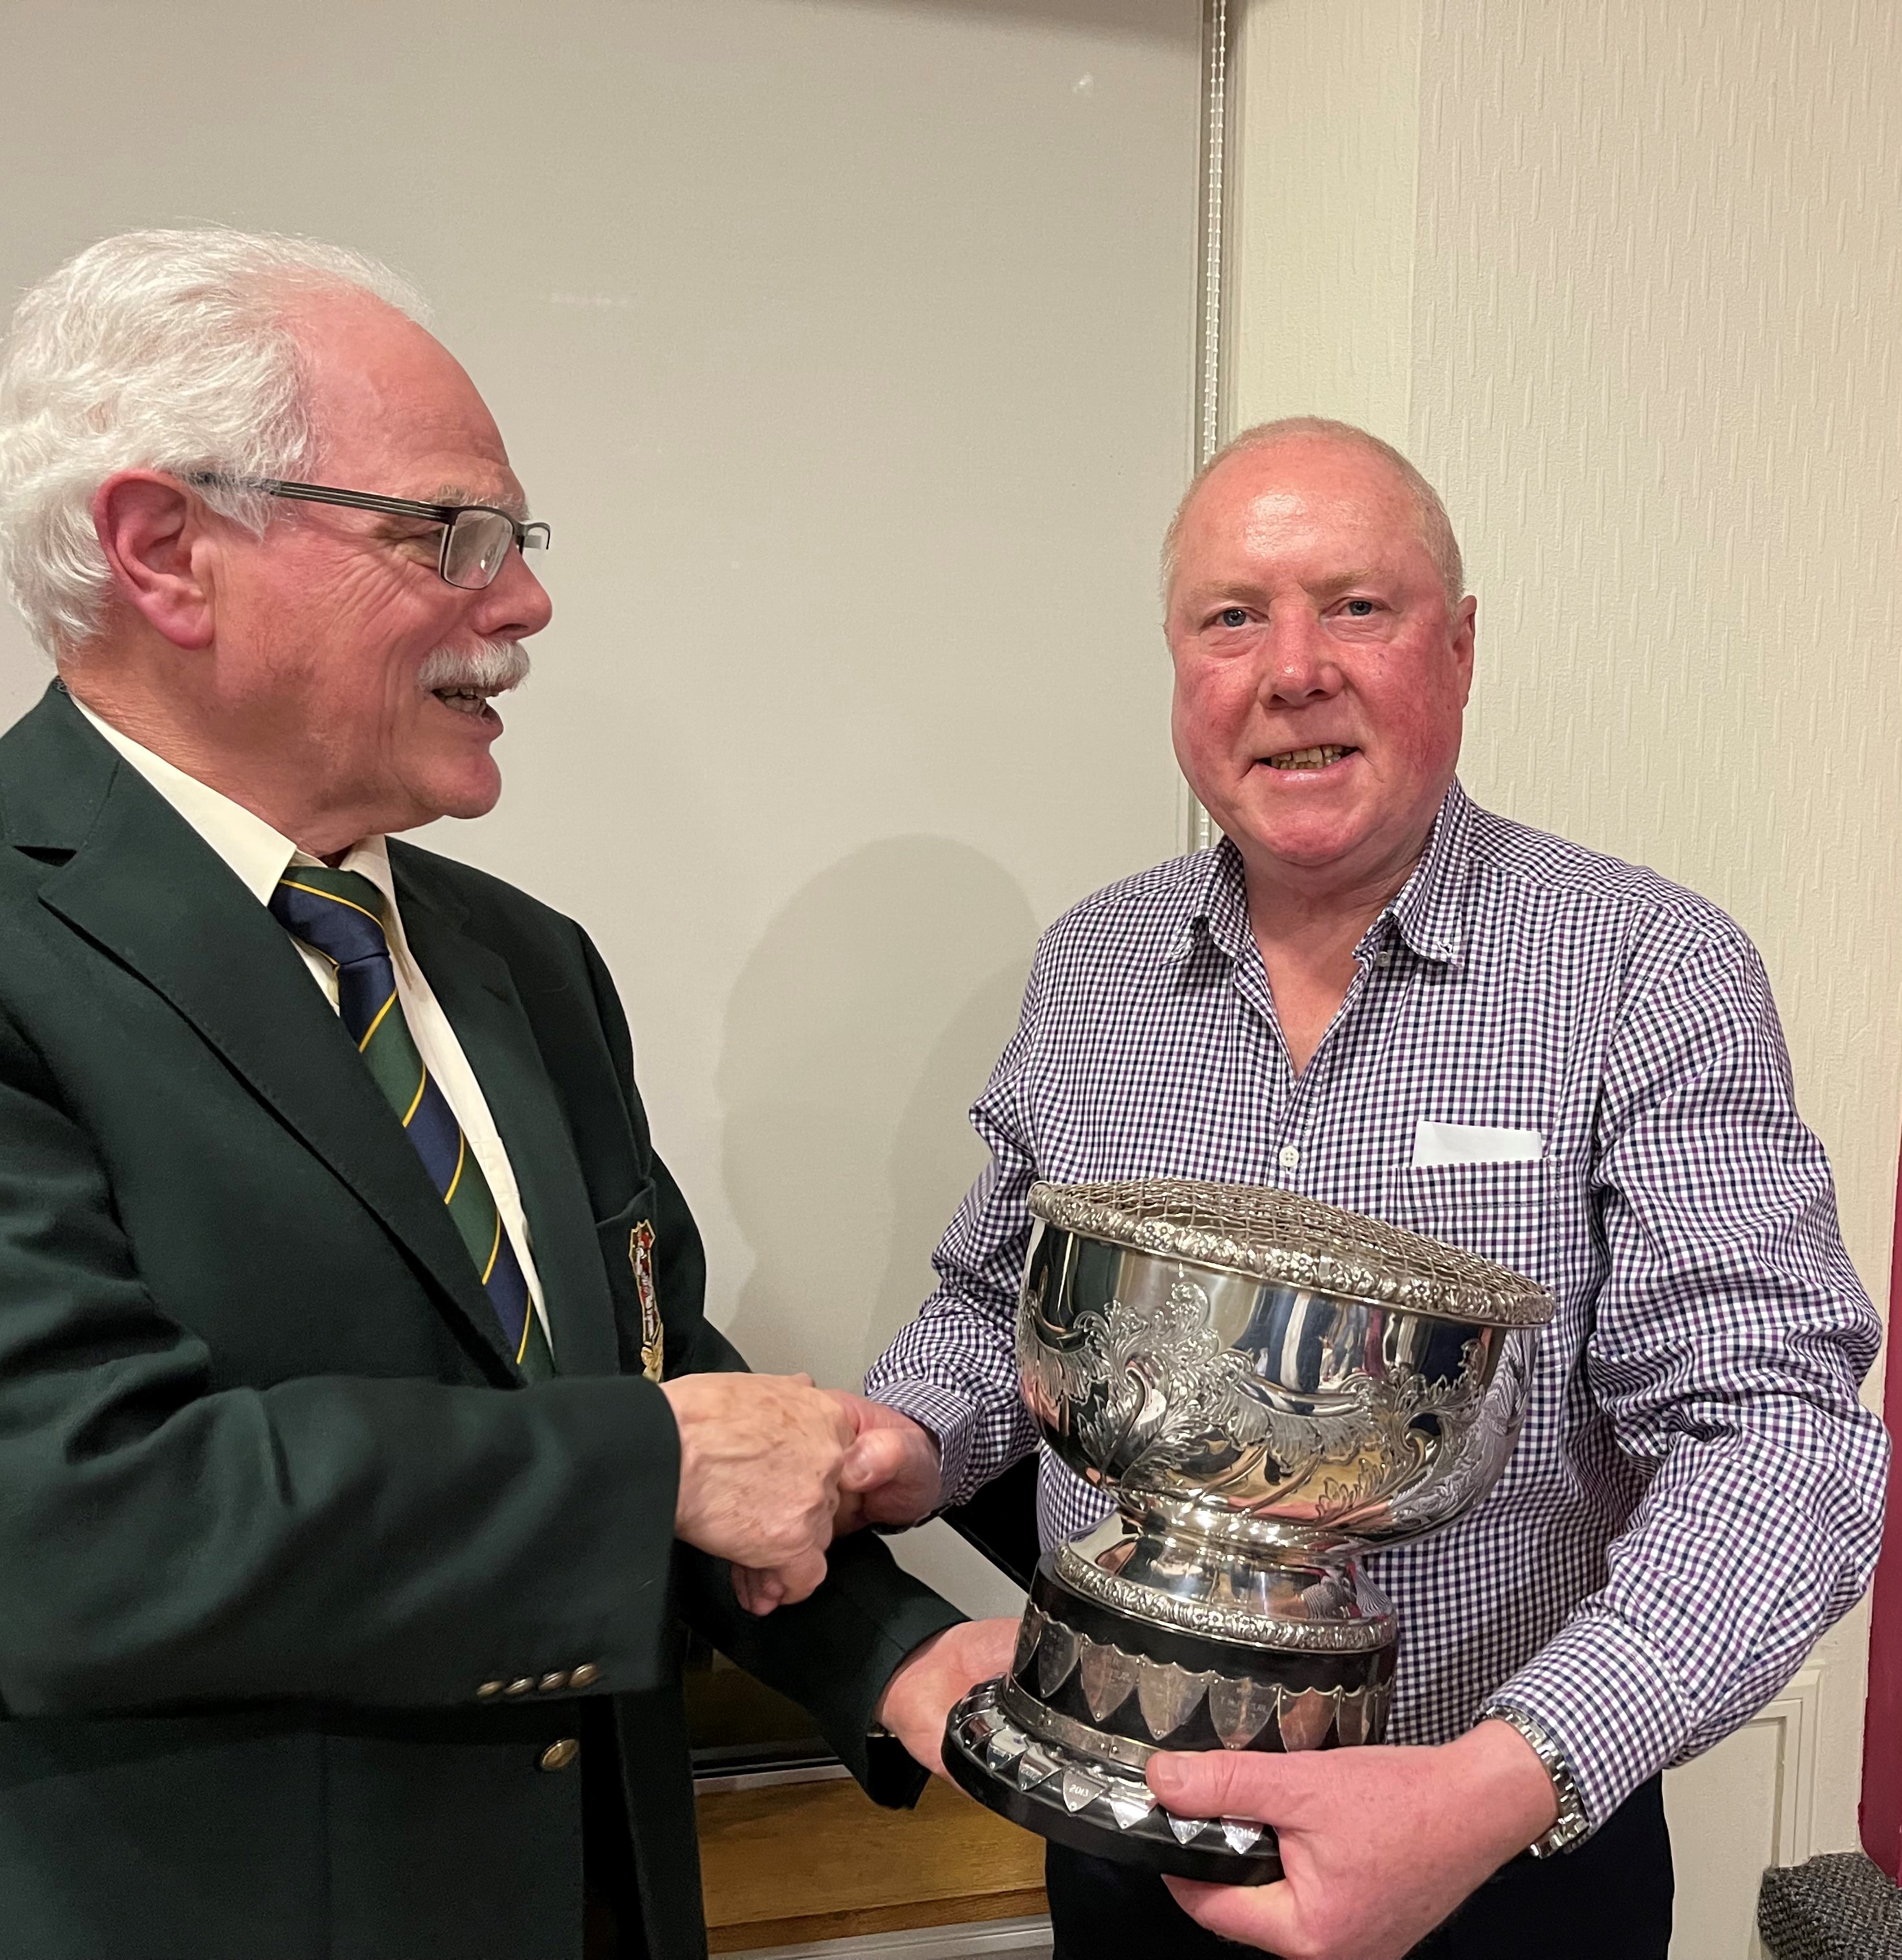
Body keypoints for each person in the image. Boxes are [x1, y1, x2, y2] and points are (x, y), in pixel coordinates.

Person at [0, 227, 1013, 1960]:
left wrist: (898, 1656)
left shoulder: (520, 963)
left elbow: (649, 1378)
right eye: (445, 534)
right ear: (166, 551)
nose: (524, 602)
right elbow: (73, 1521)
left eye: (515, 543)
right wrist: (656, 1462)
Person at [838, 418, 1889, 1959]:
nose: (1293, 670)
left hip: (1501, 1861)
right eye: (1231, 617)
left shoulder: (1649, 972)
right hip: (1122, 1824)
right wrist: (902, 1441)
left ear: (1458, 649)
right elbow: (999, 1299)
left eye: (1356, 606)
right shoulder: (1090, 968)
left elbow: (1776, 1432)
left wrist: (1508, 1774)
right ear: (1180, 668)